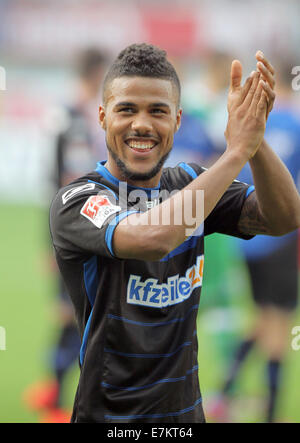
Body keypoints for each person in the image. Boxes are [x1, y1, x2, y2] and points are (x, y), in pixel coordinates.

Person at [49, 43, 300, 423]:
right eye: (127, 109)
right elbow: (151, 239)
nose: (142, 124)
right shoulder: (79, 198)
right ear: (102, 116)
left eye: (158, 111)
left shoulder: (192, 182)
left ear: (177, 120)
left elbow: (284, 218)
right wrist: (235, 153)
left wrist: (256, 140)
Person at [208, 59, 300, 423]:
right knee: (278, 327)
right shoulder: (296, 123)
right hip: (283, 236)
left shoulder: (254, 119)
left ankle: (223, 392)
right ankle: (272, 414)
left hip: (246, 234)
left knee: (261, 320)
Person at [23, 48, 108, 423]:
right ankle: (57, 402)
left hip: (66, 229)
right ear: (94, 73)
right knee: (76, 316)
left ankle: (52, 391)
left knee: (70, 315)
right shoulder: (75, 117)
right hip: (78, 232)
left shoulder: (69, 113)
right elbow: (67, 182)